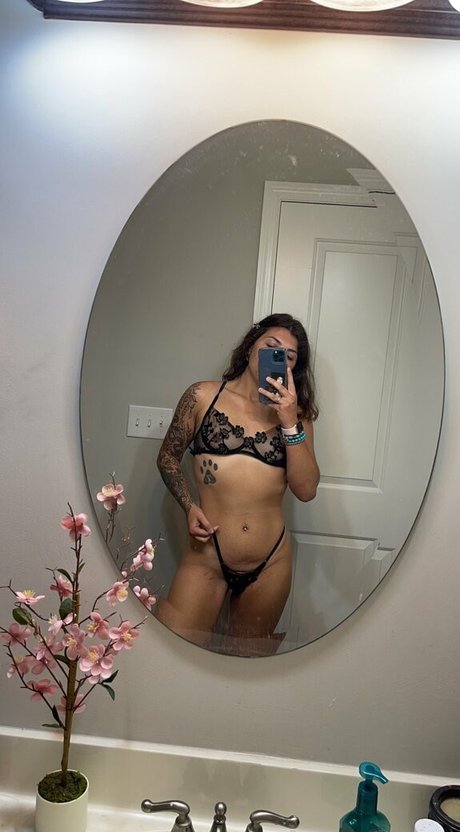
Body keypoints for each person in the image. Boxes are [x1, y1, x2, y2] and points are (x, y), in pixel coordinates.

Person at [155, 313, 320, 652]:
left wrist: (289, 422)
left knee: (248, 667)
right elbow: (168, 457)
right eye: (271, 346)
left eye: (289, 356)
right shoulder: (202, 396)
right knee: (176, 653)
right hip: (207, 555)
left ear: (294, 368)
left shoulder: (297, 415)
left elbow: (306, 490)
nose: (278, 357)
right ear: (250, 347)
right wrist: (188, 506)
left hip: (271, 562)